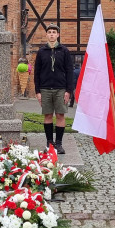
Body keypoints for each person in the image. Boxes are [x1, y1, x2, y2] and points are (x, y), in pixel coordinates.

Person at [34, 24, 74, 154]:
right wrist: (37, 92)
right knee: (48, 115)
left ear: (58, 35)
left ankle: (59, 143)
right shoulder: (41, 52)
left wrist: (68, 90)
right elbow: (37, 72)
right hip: (45, 88)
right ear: (46, 35)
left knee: (60, 115)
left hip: (60, 89)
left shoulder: (64, 51)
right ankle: (49, 143)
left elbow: (69, 71)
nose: (51, 34)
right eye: (49, 32)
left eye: (54, 32)